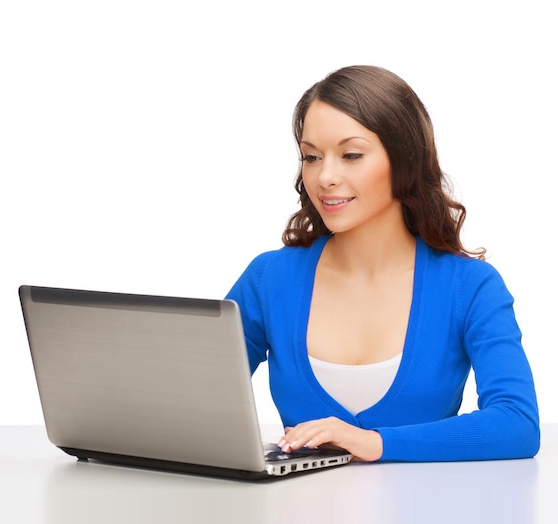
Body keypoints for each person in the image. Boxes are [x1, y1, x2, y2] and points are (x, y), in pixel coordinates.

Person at [225, 65, 540, 462]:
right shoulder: (269, 279)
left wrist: (373, 443)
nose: (325, 176)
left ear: (404, 160)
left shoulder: (470, 286)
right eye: (311, 157)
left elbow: (517, 424)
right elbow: (195, 398)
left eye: (351, 155)